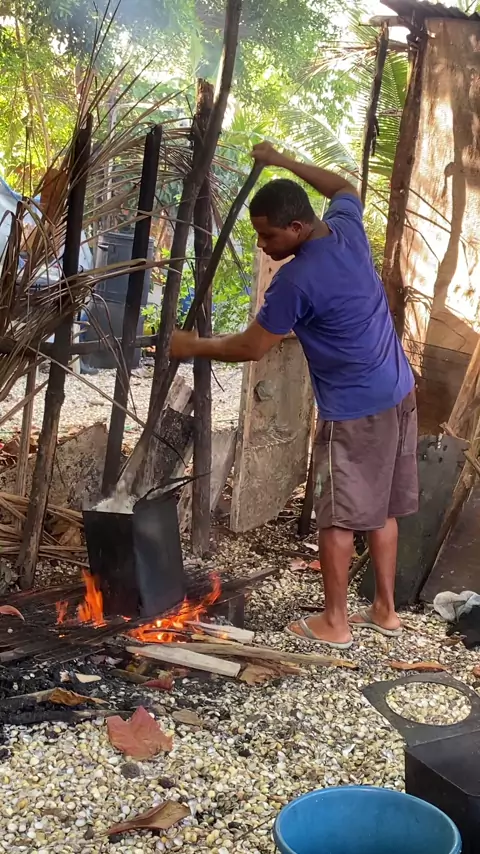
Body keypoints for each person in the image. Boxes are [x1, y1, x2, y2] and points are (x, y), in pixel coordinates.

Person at [170, 141, 418, 649]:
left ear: (298, 227)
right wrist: (282, 161)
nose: (263, 246)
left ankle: (336, 623)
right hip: (398, 390)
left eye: (269, 235)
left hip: (355, 411)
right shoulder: (346, 230)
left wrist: (191, 345)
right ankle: (385, 611)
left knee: (338, 515)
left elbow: (251, 346)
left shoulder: (297, 279)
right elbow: (343, 186)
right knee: (382, 509)